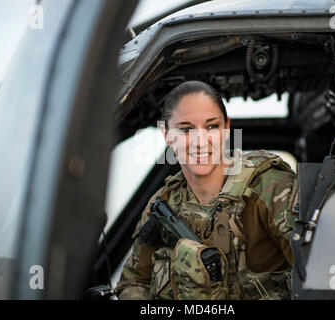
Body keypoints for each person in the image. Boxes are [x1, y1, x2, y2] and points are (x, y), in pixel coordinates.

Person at [114, 80, 299, 300]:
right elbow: (133, 282)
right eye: (186, 129)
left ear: (226, 128)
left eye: (211, 126)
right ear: (166, 135)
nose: (200, 142)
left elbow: (317, 275)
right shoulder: (164, 202)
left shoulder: (269, 186)